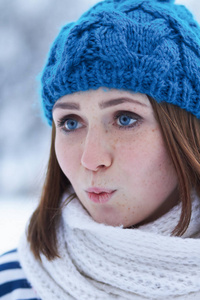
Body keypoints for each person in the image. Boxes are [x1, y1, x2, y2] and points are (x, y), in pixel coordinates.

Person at [1, 0, 200, 299]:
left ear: (187, 132)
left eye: (125, 119)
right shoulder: (13, 284)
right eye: (70, 123)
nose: (91, 159)